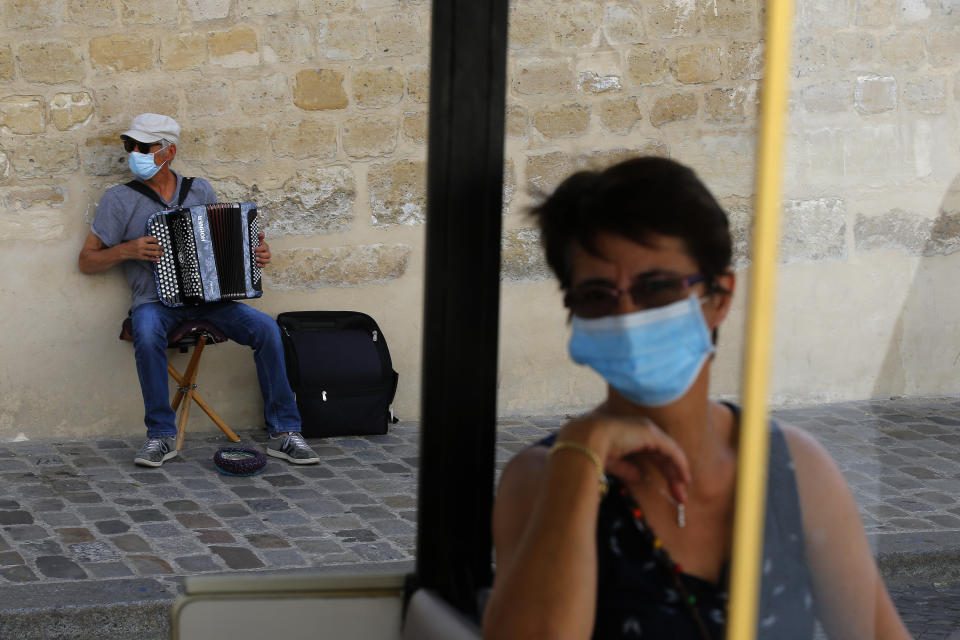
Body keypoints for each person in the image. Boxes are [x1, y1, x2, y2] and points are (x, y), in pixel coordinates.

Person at [482, 157, 909, 639]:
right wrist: (582, 452)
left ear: (720, 296)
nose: (627, 314)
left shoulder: (790, 468)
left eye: (657, 288)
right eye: (598, 294)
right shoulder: (547, 477)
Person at [78, 113, 319, 468]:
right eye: (130, 146)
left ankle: (285, 432)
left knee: (267, 329)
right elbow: (86, 260)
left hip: (211, 302)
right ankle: (160, 436)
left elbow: (222, 243)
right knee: (145, 331)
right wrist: (126, 250)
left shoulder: (200, 190)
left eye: (143, 146)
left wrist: (256, 256)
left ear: (168, 151)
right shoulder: (119, 199)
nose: (134, 153)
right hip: (154, 302)